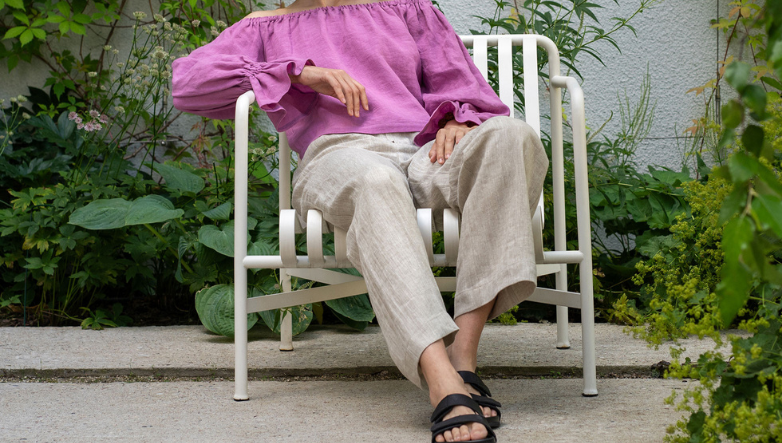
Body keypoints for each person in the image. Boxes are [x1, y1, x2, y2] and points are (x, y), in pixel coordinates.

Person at [170, 1, 548, 441]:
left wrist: (459, 118)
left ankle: (464, 357)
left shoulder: (406, 8)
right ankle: (441, 377)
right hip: (340, 156)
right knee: (376, 180)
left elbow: (458, 82)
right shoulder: (266, 26)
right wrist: (297, 74)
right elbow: (188, 84)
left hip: (425, 152)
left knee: (510, 136)